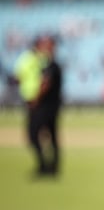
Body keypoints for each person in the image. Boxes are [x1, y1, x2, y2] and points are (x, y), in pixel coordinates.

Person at [14, 34, 63, 176]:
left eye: (47, 44)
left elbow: (45, 84)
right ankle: (51, 167)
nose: (45, 47)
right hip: (51, 106)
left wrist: (35, 99)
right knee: (51, 136)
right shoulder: (49, 64)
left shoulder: (51, 65)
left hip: (44, 106)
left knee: (34, 134)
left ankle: (46, 166)